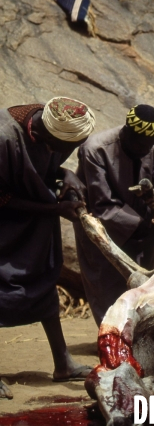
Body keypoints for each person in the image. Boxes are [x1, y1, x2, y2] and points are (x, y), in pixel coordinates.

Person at [0, 97, 96, 399]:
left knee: (43, 281)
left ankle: (63, 363)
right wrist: (53, 210)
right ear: (43, 137)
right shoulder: (3, 136)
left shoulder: (53, 121)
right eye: (61, 147)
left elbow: (49, 164)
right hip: (6, 222)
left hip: (35, 223)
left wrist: (67, 175)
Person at [73, 104, 154, 326]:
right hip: (101, 227)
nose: (143, 150)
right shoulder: (95, 149)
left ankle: (140, 336)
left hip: (144, 229)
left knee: (143, 284)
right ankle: (113, 338)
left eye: (148, 146)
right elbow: (103, 204)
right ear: (125, 132)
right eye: (138, 144)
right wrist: (145, 225)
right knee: (105, 284)